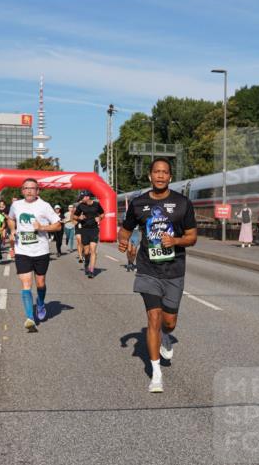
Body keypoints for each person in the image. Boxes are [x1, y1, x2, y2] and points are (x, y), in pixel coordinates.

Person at [118, 158, 197, 393]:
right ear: (150, 176)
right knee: (153, 318)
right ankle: (156, 374)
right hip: (147, 269)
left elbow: (192, 237)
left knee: (168, 322)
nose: (160, 176)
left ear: (170, 177)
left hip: (174, 270)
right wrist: (124, 243)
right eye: (156, 172)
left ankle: (166, 335)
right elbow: (125, 231)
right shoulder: (138, 203)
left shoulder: (182, 203)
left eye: (164, 172)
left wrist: (176, 241)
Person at [7, 178, 62, 332]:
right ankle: (30, 318)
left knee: (40, 283)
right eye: (26, 188)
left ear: (38, 191)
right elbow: (10, 219)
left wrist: (42, 227)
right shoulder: (16, 205)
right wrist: (12, 230)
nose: (29, 191)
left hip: (41, 251)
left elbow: (58, 225)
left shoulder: (45, 206)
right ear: (22, 190)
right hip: (22, 250)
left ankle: (41, 303)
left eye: (32, 188)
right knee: (26, 283)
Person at [76, 191, 104, 278]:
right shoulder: (80, 206)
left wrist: (100, 218)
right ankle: (86, 263)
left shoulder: (96, 204)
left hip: (94, 230)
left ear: (87, 197)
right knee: (86, 251)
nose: (81, 199)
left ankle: (91, 270)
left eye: (82, 198)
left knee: (93, 250)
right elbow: (74, 216)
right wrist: (79, 217)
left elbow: (102, 214)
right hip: (84, 230)